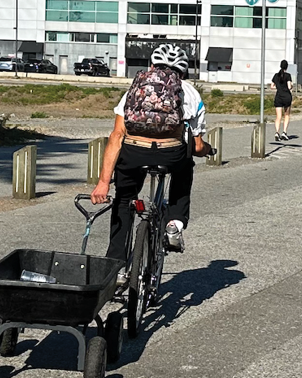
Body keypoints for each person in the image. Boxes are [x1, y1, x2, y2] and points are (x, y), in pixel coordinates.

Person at [90, 44, 211, 259]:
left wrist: (103, 182)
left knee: (124, 199)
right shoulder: (190, 92)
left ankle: (115, 264)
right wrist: (208, 150)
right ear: (182, 71)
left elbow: (116, 136)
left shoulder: (135, 89)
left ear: (151, 65)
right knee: (185, 167)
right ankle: (174, 222)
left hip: (134, 152)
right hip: (170, 154)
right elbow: (198, 146)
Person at [271, 60, 293, 141]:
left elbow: (272, 86)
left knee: (278, 117)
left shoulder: (276, 75)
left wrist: (278, 87)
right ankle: (284, 132)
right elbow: (289, 86)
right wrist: (292, 86)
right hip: (286, 96)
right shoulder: (288, 75)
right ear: (286, 67)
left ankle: (277, 132)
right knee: (286, 115)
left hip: (278, 97)